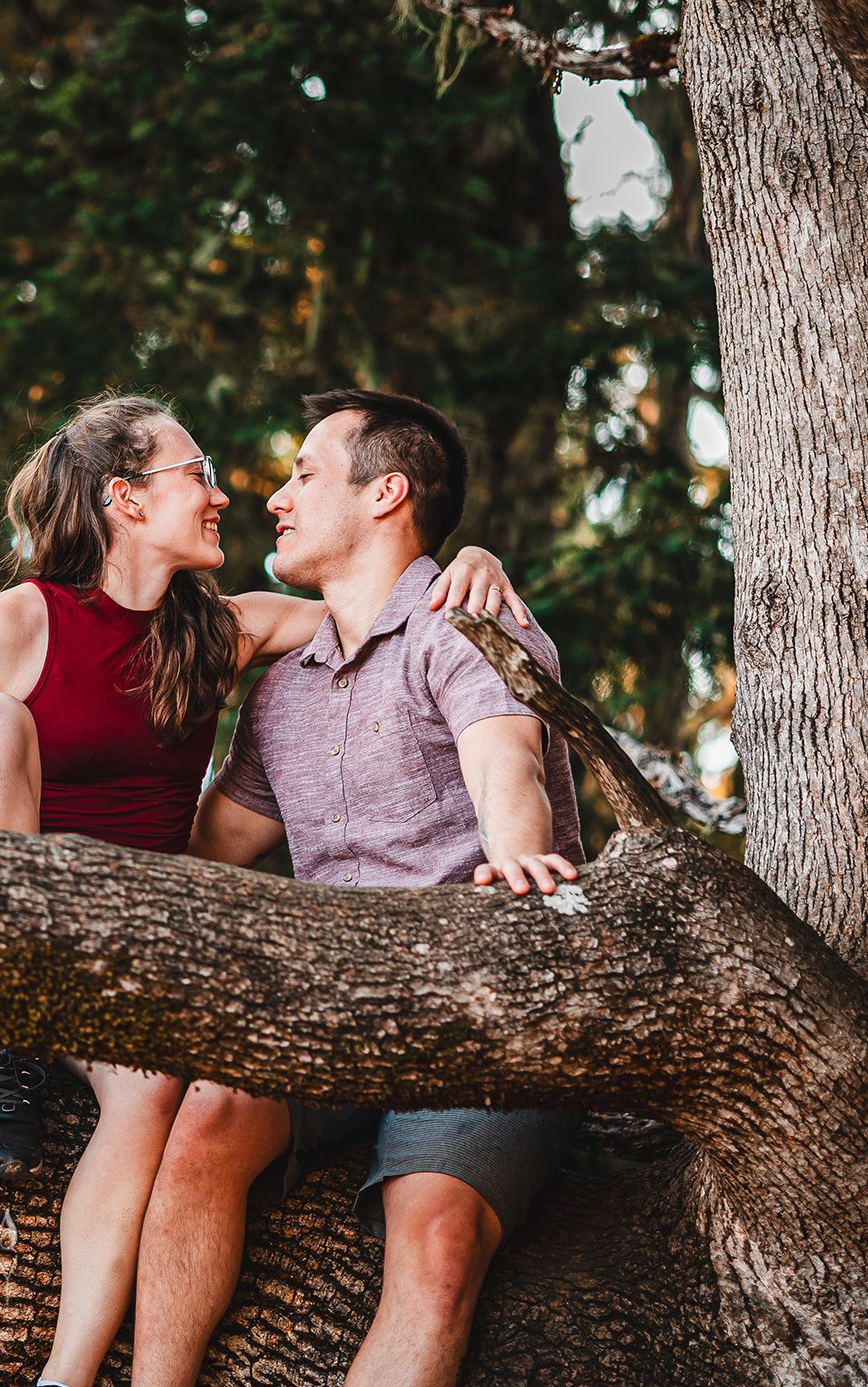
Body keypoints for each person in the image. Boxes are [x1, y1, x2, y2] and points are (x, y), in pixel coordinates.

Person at [0, 391, 530, 1387]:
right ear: (124, 499)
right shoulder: (10, 625)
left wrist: (473, 562)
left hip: (122, 960)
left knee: (156, 1089)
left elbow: (377, 606)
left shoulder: (225, 632)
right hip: (9, 938)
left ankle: (66, 1376)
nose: (223, 495)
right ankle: (10, 1040)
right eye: (195, 474)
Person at [161, 387, 585, 1387]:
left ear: (385, 491)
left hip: (486, 1010)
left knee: (436, 1252)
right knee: (208, 1115)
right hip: (334, 1008)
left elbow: (506, 770)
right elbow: (208, 845)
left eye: (303, 473)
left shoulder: (468, 624)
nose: (275, 496)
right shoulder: (285, 687)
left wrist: (515, 851)